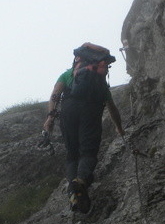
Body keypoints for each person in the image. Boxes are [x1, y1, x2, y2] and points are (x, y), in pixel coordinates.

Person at [43, 42, 125, 214]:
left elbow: (55, 94)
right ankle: (80, 182)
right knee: (88, 152)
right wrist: (119, 128)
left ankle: (74, 193)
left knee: (72, 154)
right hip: (91, 111)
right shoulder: (100, 82)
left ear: (78, 60)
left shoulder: (68, 74)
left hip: (69, 110)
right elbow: (112, 109)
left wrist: (50, 116)